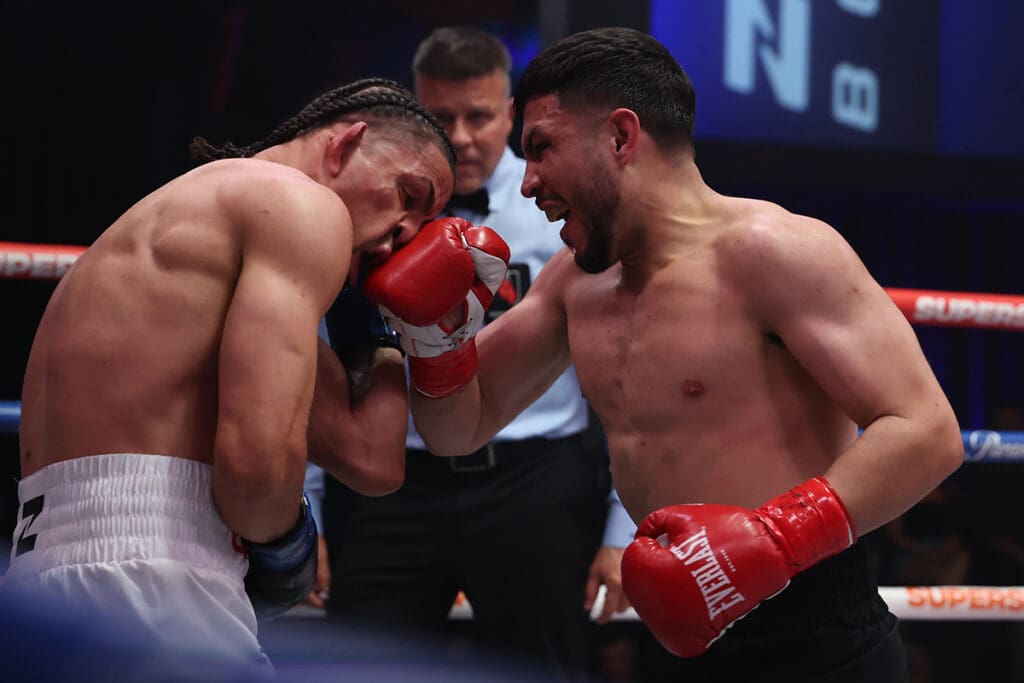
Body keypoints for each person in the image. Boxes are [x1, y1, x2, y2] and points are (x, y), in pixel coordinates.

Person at [365, 28, 965, 682]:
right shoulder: (574, 281)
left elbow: (927, 431)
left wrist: (774, 541)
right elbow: (456, 429)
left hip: (814, 630)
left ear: (621, 136)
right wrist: (437, 343)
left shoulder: (775, 252)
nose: (529, 181)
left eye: (542, 148)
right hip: (673, 627)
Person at [3, 77, 456, 675]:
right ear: (348, 142)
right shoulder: (301, 205)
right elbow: (253, 475)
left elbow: (372, 460)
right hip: (156, 586)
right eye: (408, 194)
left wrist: (376, 318)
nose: (406, 233)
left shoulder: (186, 225)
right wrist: (286, 543)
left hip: (39, 585)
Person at [321, 27, 635, 681]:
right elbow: (320, 360)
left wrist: (621, 530)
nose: (461, 137)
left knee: (541, 671)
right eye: (442, 117)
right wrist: (307, 510)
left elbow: (624, 374)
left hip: (535, 480)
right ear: (414, 110)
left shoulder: (562, 205)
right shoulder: (375, 206)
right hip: (397, 477)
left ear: (510, 113)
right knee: (353, 667)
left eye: (479, 116)